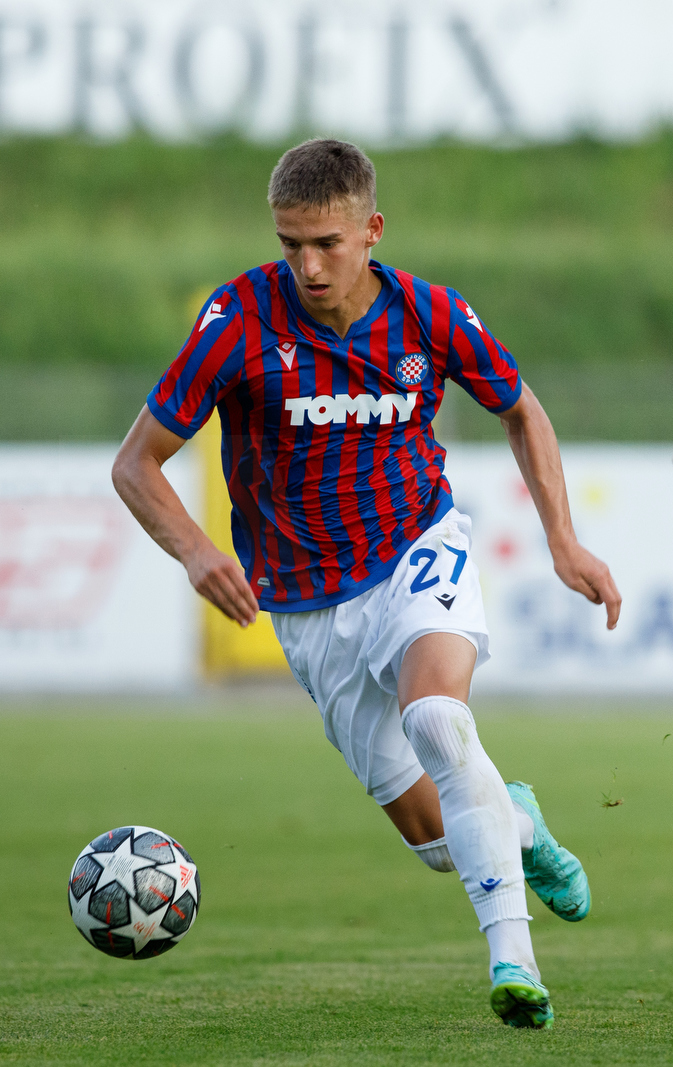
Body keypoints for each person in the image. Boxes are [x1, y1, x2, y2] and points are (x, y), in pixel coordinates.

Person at [112, 138, 622, 1030]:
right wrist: (195, 551)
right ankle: (523, 827)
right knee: (436, 842)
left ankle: (515, 961)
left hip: (417, 548)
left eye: (327, 244)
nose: (307, 265)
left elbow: (520, 409)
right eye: (290, 244)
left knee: (437, 716)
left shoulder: (429, 314)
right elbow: (137, 463)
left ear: (371, 231)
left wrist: (563, 540)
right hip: (308, 604)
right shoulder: (236, 319)